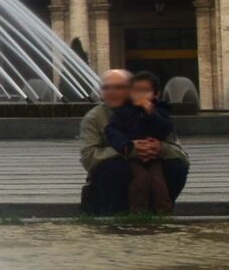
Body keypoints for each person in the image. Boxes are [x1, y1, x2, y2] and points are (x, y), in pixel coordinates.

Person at [80, 68, 189, 215]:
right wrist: (130, 149)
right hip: (112, 182)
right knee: (115, 168)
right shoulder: (94, 118)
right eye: (106, 88)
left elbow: (180, 152)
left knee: (176, 166)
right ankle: (115, 215)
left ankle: (159, 213)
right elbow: (89, 157)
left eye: (119, 87)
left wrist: (159, 148)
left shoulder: (153, 111)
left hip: (151, 166)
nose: (111, 92)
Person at [105, 70, 176, 214]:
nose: (140, 95)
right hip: (132, 156)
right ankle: (138, 212)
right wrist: (127, 145)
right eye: (136, 91)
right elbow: (112, 130)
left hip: (153, 156)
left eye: (145, 91)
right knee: (141, 179)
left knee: (158, 182)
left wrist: (151, 113)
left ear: (156, 94)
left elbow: (166, 129)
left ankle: (163, 212)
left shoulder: (160, 111)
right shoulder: (123, 111)